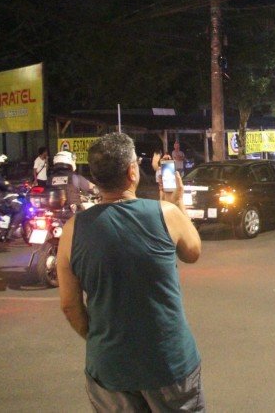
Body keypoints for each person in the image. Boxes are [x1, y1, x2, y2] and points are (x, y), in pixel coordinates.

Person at [56, 133, 205, 411]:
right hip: (169, 363)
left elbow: (69, 305)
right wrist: (177, 201)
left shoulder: (73, 230)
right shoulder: (166, 213)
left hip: (110, 368)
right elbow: (193, 252)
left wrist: (101, 339)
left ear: (96, 177)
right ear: (132, 171)